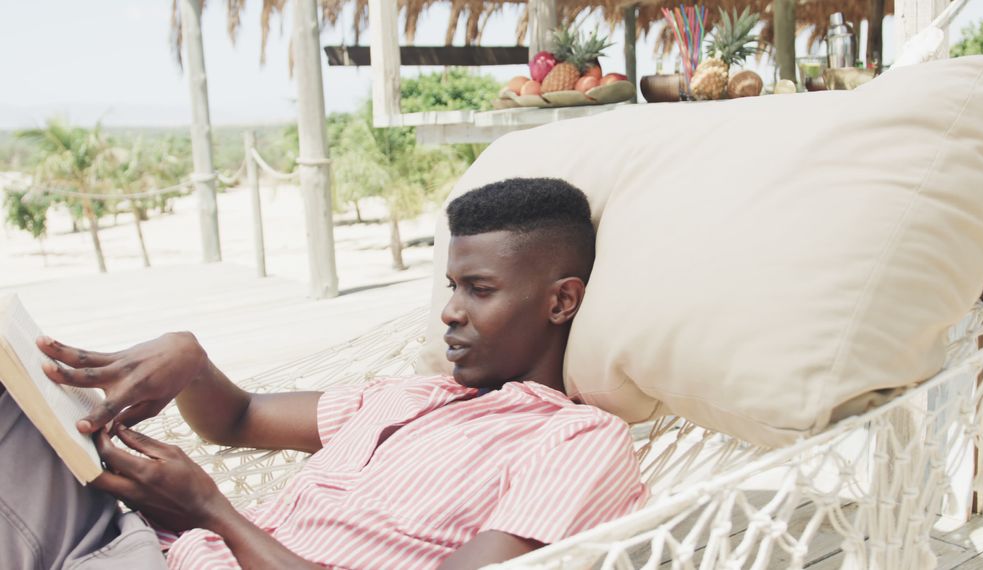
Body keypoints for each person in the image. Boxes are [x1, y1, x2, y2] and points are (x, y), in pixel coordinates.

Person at [0, 178, 648, 570]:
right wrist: (190, 359)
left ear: (561, 301)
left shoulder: (576, 440)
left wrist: (208, 509)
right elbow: (239, 418)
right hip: (140, 545)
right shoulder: (412, 394)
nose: (449, 311)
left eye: (479, 289)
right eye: (451, 285)